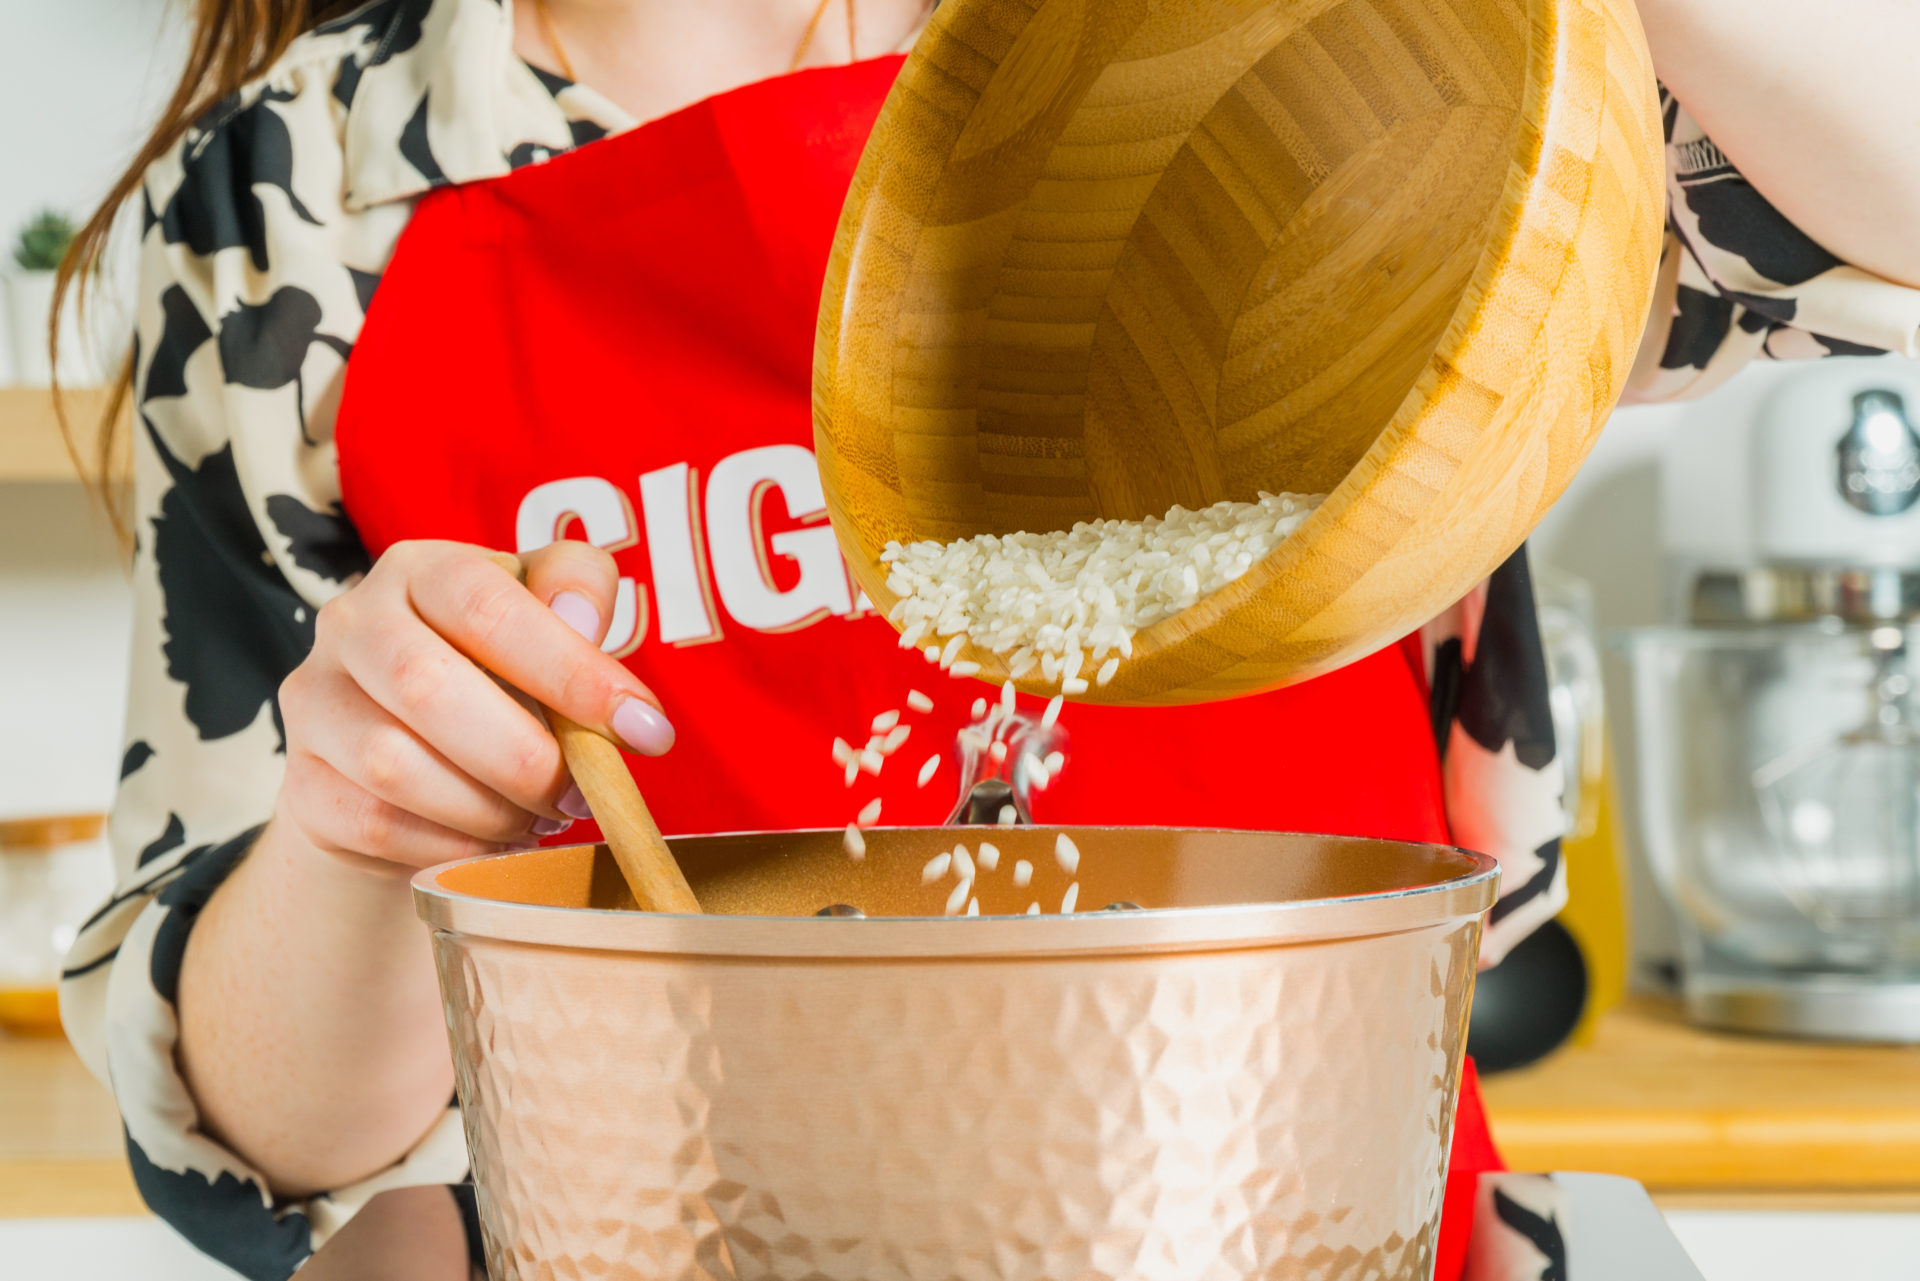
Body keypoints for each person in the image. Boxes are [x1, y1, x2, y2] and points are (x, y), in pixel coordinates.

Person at [52, 1, 1920, 1277]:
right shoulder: (298, 195)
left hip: (1316, 1217)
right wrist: (364, 832)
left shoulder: (1244, 45)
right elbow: (257, 1132)